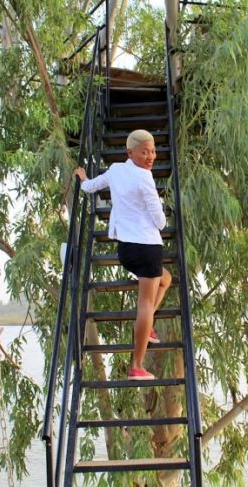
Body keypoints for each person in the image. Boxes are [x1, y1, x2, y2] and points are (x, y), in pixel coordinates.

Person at [74, 129, 172, 381]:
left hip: (127, 250)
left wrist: (83, 177)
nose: (151, 156)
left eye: (153, 151)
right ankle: (137, 366)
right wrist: (163, 214)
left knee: (166, 279)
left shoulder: (116, 170)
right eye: (145, 152)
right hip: (148, 248)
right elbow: (160, 222)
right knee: (145, 305)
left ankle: (147, 326)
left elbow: (90, 187)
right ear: (131, 152)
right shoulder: (145, 178)